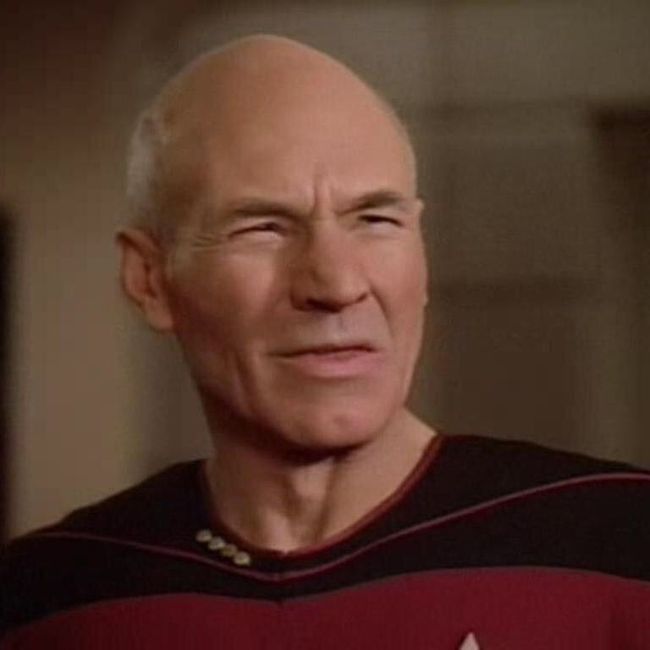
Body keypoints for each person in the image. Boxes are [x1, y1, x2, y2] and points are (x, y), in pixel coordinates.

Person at [1, 35, 649, 650]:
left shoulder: (622, 546)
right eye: (262, 227)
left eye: (375, 219)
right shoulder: (45, 602)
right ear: (149, 279)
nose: (337, 285)